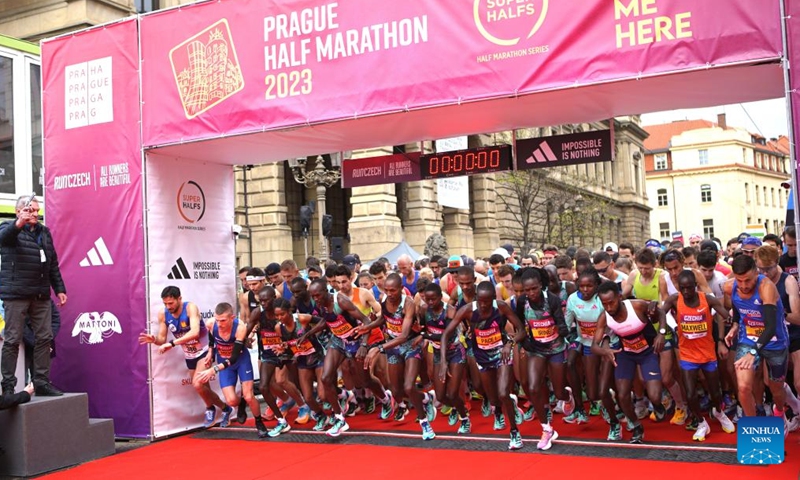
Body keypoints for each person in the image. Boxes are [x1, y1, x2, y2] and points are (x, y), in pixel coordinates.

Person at [300, 279, 394, 437]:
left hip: (356, 340)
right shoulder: (319, 303)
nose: (315, 299)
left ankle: (385, 399)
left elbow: (366, 321)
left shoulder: (341, 301)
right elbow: (326, 320)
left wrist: (364, 345)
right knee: (326, 378)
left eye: (318, 295)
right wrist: (308, 334)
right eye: (313, 296)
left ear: (326, 291)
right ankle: (339, 418)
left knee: (365, 381)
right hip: (338, 341)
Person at [440, 281, 527, 450]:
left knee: (503, 393)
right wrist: (443, 361)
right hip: (482, 356)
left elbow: (521, 330)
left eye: (487, 301)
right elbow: (446, 335)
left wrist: (510, 343)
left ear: (493, 299)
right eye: (480, 301)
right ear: (476, 299)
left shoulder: (501, 307)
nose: (483, 305)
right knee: (493, 397)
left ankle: (515, 432)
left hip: (502, 352)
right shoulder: (467, 311)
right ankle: (502, 410)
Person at [0, 195, 67, 397]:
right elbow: (3, 239)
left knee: (44, 338)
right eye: (30, 210)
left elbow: (52, 263)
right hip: (16, 294)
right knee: (12, 340)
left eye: (37, 211)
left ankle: (41, 383)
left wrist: (60, 289)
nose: (34, 214)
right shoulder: (8, 228)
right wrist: (19, 222)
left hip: (41, 294)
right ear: (18, 211)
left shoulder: (44, 232)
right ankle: (9, 386)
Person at [661, 271, 735, 441]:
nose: (686, 292)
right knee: (690, 393)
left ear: (695, 285)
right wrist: (663, 331)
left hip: (708, 353)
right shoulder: (674, 299)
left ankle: (719, 412)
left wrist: (726, 333)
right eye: (682, 288)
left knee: (715, 392)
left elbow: (724, 316)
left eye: (689, 288)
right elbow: (661, 312)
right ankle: (701, 422)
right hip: (687, 354)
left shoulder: (707, 299)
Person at [138, 286, 227, 428]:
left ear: (179, 298)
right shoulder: (164, 314)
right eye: (165, 304)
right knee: (203, 388)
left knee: (197, 384)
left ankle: (211, 409)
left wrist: (172, 343)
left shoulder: (190, 308)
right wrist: (154, 339)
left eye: (171, 303)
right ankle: (225, 409)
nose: (168, 307)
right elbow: (162, 338)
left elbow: (195, 332)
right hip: (189, 355)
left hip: (204, 351)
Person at [592, 281, 668, 444]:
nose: (609, 307)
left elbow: (660, 313)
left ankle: (657, 405)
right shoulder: (604, 317)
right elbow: (594, 345)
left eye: (611, 302)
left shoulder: (637, 306)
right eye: (604, 304)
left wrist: (661, 333)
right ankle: (636, 427)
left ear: (619, 297)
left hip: (648, 353)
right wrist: (605, 351)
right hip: (626, 354)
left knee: (655, 396)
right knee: (623, 395)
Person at [364, 274, 435, 440]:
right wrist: (367, 327)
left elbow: (403, 336)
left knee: (409, 386)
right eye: (387, 290)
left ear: (401, 289)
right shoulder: (384, 300)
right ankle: (426, 398)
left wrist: (378, 348)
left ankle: (425, 424)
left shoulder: (408, 304)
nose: (389, 293)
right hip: (393, 349)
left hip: (410, 346)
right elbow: (383, 319)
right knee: (396, 390)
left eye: (393, 290)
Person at [724, 254, 790, 428]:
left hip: (775, 340)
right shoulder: (732, 287)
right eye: (740, 281)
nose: (744, 285)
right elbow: (738, 310)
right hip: (749, 338)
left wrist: (754, 353)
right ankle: (754, 428)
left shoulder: (765, 287)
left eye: (748, 280)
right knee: (744, 387)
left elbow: (770, 327)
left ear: (756, 273)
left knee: (776, 388)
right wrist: (735, 326)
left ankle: (780, 412)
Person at [517, 268, 577, 449]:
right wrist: (524, 341)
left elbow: (560, 321)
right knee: (534, 387)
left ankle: (567, 397)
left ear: (541, 286)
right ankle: (547, 429)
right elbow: (520, 323)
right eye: (527, 290)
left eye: (534, 289)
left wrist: (567, 335)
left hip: (556, 348)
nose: (530, 293)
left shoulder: (552, 300)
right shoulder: (522, 302)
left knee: (558, 392)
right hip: (537, 349)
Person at [245, 286, 307, 437]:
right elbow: (247, 329)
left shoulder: (282, 312)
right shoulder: (258, 313)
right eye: (261, 301)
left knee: (282, 380)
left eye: (266, 300)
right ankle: (282, 417)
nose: (264, 303)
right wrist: (244, 339)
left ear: (274, 298)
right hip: (267, 352)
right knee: (265, 385)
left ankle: (303, 405)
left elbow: (295, 327)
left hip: (285, 351)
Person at [567, 268, 621, 440]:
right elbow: (569, 325)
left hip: (609, 344)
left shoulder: (603, 299)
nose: (585, 289)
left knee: (603, 387)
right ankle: (609, 399)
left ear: (597, 285)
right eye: (581, 286)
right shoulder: (573, 299)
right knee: (592, 393)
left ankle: (614, 424)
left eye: (589, 286)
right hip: (588, 344)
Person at [195, 303, 264, 437]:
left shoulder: (240, 327)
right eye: (217, 320)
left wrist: (213, 369)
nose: (219, 324)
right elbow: (211, 338)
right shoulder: (211, 323)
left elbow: (234, 357)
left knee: (249, 395)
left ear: (232, 317)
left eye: (223, 320)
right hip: (223, 361)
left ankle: (259, 422)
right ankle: (242, 402)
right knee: (231, 401)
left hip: (240, 360)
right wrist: (210, 351)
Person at [417, 283, 470, 433]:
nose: (430, 302)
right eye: (427, 299)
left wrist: (425, 336)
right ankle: (455, 407)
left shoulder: (450, 311)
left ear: (441, 297)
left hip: (454, 352)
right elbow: (421, 328)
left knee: (452, 393)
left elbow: (444, 336)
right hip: (437, 352)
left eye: (433, 299)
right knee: (440, 396)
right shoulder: (423, 310)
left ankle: (464, 417)